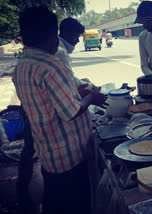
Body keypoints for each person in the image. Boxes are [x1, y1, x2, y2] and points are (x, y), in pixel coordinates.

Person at [13, 6, 106, 214]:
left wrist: (76, 93)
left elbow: (48, 103)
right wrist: (91, 98)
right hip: (68, 157)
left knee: (55, 201)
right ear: (49, 35)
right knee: (75, 204)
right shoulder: (52, 65)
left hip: (48, 154)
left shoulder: (22, 65)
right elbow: (70, 112)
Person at [57, 17, 99, 93]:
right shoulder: (60, 52)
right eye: (76, 36)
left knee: (86, 80)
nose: (78, 40)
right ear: (67, 34)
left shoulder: (60, 47)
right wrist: (91, 86)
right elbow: (70, 80)